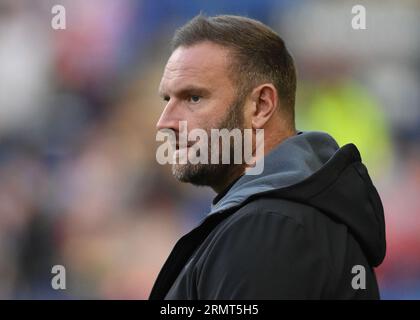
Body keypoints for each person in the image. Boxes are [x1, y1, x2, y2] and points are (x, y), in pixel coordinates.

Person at [150, 14, 386, 299]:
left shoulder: (268, 227)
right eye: (167, 99)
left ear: (261, 105)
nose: (165, 121)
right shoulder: (277, 219)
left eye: (193, 98)